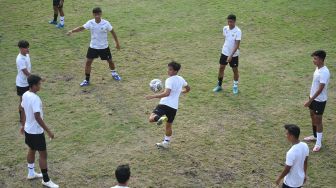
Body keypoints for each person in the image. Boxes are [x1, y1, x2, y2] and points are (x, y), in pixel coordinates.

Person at [67, 7, 121, 86]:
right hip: (93, 47)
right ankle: (87, 80)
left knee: (110, 61)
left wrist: (117, 43)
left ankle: (114, 74)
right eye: (95, 14)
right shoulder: (90, 23)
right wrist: (72, 31)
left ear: (101, 14)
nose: (97, 16)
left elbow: (113, 32)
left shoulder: (106, 23)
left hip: (104, 47)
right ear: (93, 14)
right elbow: (81, 28)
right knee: (88, 62)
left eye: (98, 14)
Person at [21, 75, 59, 188]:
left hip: (28, 130)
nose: (40, 86)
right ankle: (46, 180)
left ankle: (31, 173)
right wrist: (48, 131)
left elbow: (22, 108)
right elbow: (37, 116)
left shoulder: (25, 94)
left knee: (31, 149)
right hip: (36, 132)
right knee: (43, 155)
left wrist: (22, 125)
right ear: (33, 85)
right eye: (39, 84)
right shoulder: (35, 99)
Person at [146, 61, 190, 149]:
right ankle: (166, 142)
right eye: (168, 69)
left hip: (165, 104)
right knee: (169, 125)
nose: (168, 71)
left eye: (170, 70)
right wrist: (180, 91)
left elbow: (166, 93)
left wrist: (153, 96)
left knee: (151, 118)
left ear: (175, 71)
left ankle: (160, 118)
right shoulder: (181, 79)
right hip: (174, 107)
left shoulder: (169, 80)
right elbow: (188, 88)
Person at [303, 50, 330, 152]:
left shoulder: (324, 72)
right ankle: (314, 136)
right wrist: (310, 98)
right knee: (312, 117)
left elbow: (320, 89)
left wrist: (310, 101)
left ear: (321, 60)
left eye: (315, 59)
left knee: (318, 121)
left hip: (319, 101)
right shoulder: (317, 69)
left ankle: (318, 143)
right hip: (312, 98)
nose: (313, 61)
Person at [213, 14, 242, 94]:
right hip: (224, 52)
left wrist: (231, 55)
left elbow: (237, 45)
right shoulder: (225, 28)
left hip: (234, 55)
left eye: (231, 22)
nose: (229, 23)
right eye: (228, 21)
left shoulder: (238, 31)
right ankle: (219, 85)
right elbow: (226, 39)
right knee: (221, 68)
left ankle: (235, 86)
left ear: (235, 22)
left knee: (235, 70)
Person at [16, 40, 31, 126]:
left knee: (27, 100)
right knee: (22, 101)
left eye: (28, 47)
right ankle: (22, 120)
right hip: (21, 83)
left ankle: (27, 115)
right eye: (25, 48)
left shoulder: (27, 54)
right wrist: (34, 78)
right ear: (21, 49)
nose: (27, 49)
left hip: (27, 82)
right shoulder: (20, 59)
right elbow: (26, 72)